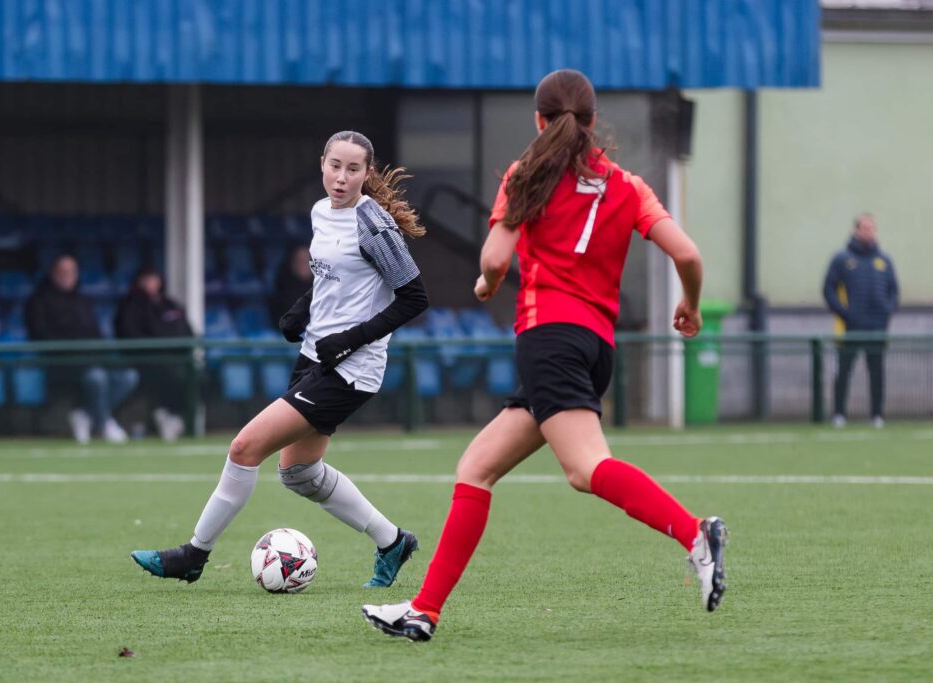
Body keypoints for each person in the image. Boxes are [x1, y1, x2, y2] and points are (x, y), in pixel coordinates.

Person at [363, 69, 728, 642]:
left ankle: (696, 533)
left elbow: (493, 261)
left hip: (548, 339)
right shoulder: (628, 186)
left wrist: (486, 287)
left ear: (539, 120)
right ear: (591, 121)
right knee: (477, 468)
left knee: (585, 470)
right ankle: (424, 609)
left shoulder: (526, 175)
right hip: (594, 345)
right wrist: (692, 306)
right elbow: (687, 253)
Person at [131, 131, 430, 587]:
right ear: (322, 164)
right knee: (298, 472)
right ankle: (393, 542)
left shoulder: (373, 223)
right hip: (315, 358)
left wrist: (351, 339)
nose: (342, 178)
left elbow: (414, 297)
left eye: (353, 169)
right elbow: (335, 278)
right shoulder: (320, 211)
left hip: (350, 371)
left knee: (244, 447)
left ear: (367, 174)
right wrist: (302, 307)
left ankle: (193, 554)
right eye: (335, 166)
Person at [25, 254, 138, 444]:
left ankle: (86, 415)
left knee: (128, 376)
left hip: (92, 359)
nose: (67, 276)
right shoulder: (38, 301)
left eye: (72, 272)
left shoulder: (82, 301)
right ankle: (103, 424)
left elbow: (95, 333)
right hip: (61, 363)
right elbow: (40, 335)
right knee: (97, 378)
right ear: (53, 274)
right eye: (63, 271)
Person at [823, 213, 898, 428]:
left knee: (877, 372)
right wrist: (844, 313)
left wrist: (886, 310)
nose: (868, 232)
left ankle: (877, 414)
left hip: (877, 327)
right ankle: (839, 413)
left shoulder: (883, 261)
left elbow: (894, 291)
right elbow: (828, 289)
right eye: (864, 228)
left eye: (871, 228)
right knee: (844, 371)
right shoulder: (842, 260)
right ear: (855, 230)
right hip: (850, 328)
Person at [114, 267, 194, 441]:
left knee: (194, 374)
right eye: (146, 279)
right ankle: (165, 414)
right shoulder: (130, 306)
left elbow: (187, 332)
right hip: (143, 360)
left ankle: (177, 417)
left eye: (153, 278)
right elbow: (129, 334)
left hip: (175, 360)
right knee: (165, 372)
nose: (150, 283)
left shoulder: (170, 304)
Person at [268, 244, 314, 326]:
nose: (303, 265)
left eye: (307, 260)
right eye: (299, 261)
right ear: (292, 263)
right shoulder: (280, 295)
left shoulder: (324, 290)